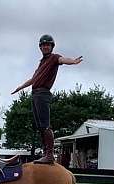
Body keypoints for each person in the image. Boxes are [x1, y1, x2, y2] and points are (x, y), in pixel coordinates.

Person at [12, 34, 83, 164]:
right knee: (39, 126)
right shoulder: (41, 63)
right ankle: (45, 153)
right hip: (34, 94)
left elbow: (63, 60)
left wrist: (72, 61)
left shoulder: (54, 58)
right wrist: (21, 87)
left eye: (48, 45)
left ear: (51, 46)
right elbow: (33, 79)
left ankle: (50, 154)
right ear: (40, 47)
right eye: (43, 45)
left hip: (43, 93)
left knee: (45, 125)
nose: (45, 47)